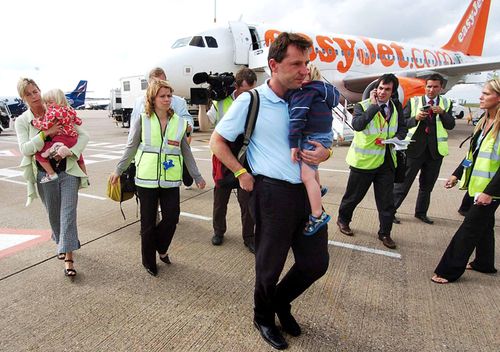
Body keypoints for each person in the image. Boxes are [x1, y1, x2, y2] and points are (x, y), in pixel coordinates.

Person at [210, 32, 330, 350]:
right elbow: (217, 141)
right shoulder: (253, 100)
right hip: (272, 194)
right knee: (269, 265)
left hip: (308, 190)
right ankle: (263, 317)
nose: (304, 70)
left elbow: (323, 142)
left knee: (315, 263)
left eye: (307, 63)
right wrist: (240, 173)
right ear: (274, 65)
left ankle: (280, 302)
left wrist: (324, 154)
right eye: (296, 64)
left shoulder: (307, 97)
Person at [110, 80, 206, 277]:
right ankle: (149, 261)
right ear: (152, 99)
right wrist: (118, 170)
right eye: (162, 96)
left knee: (172, 217)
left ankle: (160, 247)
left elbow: (186, 151)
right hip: (146, 179)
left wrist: (197, 176)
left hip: (170, 179)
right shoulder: (143, 120)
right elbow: (131, 147)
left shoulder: (180, 123)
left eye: (169, 96)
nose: (167, 99)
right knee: (148, 222)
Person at [15, 78, 89, 277]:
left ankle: (68, 257)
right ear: (23, 98)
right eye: (29, 94)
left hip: (68, 170)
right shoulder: (22, 120)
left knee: (68, 212)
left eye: (36, 91)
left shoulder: (56, 109)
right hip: (44, 172)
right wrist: (45, 134)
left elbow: (83, 136)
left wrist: (71, 151)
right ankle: (61, 240)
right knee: (53, 213)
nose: (35, 96)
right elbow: (25, 149)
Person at [432, 78, 500, 284]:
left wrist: (490, 192)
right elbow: (474, 154)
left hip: (491, 190)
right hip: (477, 187)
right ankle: (484, 263)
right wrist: (457, 173)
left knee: (469, 230)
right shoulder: (484, 122)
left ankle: (448, 270)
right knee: (484, 225)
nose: (480, 97)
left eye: (486, 94)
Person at [336, 74, 407, 249]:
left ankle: (385, 233)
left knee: (386, 202)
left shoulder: (396, 107)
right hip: (364, 162)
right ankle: (343, 220)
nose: (383, 92)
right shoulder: (363, 106)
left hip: (386, 162)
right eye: (381, 88)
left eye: (387, 89)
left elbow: (403, 127)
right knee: (353, 197)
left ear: (393, 92)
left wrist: (398, 138)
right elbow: (358, 125)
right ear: (376, 88)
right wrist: (374, 106)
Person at [393, 74, 455, 224]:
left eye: (435, 87)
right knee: (402, 184)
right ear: (425, 87)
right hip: (414, 150)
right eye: (429, 86)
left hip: (434, 152)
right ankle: (391, 210)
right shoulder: (414, 102)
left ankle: (421, 212)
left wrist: (443, 113)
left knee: (427, 186)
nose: (431, 90)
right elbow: (403, 123)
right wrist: (416, 118)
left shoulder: (446, 103)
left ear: (441, 88)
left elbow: (450, 125)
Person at [208, 67, 257, 253]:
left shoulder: (255, 102)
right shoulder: (221, 102)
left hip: (245, 157)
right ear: (236, 86)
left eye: (252, 91)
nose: (248, 95)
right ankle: (218, 231)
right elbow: (206, 124)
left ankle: (249, 236)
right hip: (224, 159)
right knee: (220, 201)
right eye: (245, 91)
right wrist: (206, 103)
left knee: (247, 203)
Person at [287, 62, 339, 235]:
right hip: (322, 135)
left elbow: (297, 120)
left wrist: (293, 143)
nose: (300, 75)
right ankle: (319, 186)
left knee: (306, 175)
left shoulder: (305, 93)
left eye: (304, 73)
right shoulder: (322, 91)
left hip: (312, 136)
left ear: (309, 75)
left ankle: (317, 214)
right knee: (312, 170)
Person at [131, 67, 195, 190]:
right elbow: (133, 131)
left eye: (163, 82)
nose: (160, 85)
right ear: (149, 84)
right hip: (148, 162)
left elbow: (187, 120)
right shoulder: (139, 102)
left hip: (170, 156)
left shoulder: (178, 102)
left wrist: (187, 127)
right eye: (156, 83)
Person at [32, 89, 87, 183]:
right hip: (73, 138)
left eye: (50, 102)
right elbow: (79, 121)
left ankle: (51, 174)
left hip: (61, 138)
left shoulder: (52, 112)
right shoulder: (70, 110)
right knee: (79, 157)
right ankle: (85, 177)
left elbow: (45, 125)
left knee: (39, 154)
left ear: (59, 100)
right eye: (46, 103)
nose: (48, 105)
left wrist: (35, 122)